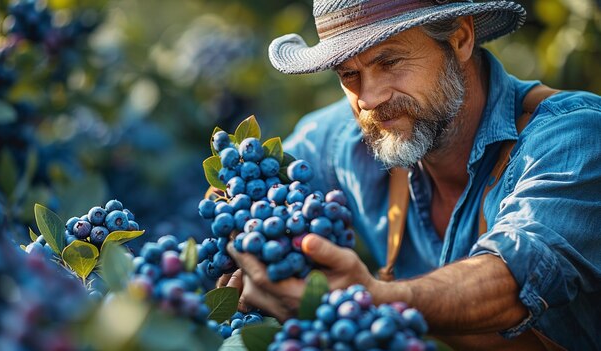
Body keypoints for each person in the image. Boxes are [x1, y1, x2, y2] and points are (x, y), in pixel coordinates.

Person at [224, 0, 601, 349]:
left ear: (460, 39)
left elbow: (512, 277)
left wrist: (375, 297)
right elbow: (245, 180)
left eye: (389, 62)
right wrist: (239, 234)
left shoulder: (574, 137)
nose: (369, 98)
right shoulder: (347, 139)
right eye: (349, 74)